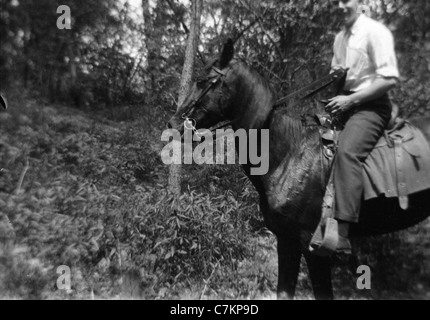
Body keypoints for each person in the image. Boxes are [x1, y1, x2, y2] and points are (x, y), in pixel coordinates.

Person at [325, 0, 400, 253]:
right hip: (346, 102)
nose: (341, 5)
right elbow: (341, 82)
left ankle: (344, 234)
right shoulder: (339, 39)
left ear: (360, 4)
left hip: (372, 106)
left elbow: (389, 79)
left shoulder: (375, 32)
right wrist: (336, 79)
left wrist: (349, 100)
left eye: (347, 0)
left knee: (347, 152)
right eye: (336, 1)